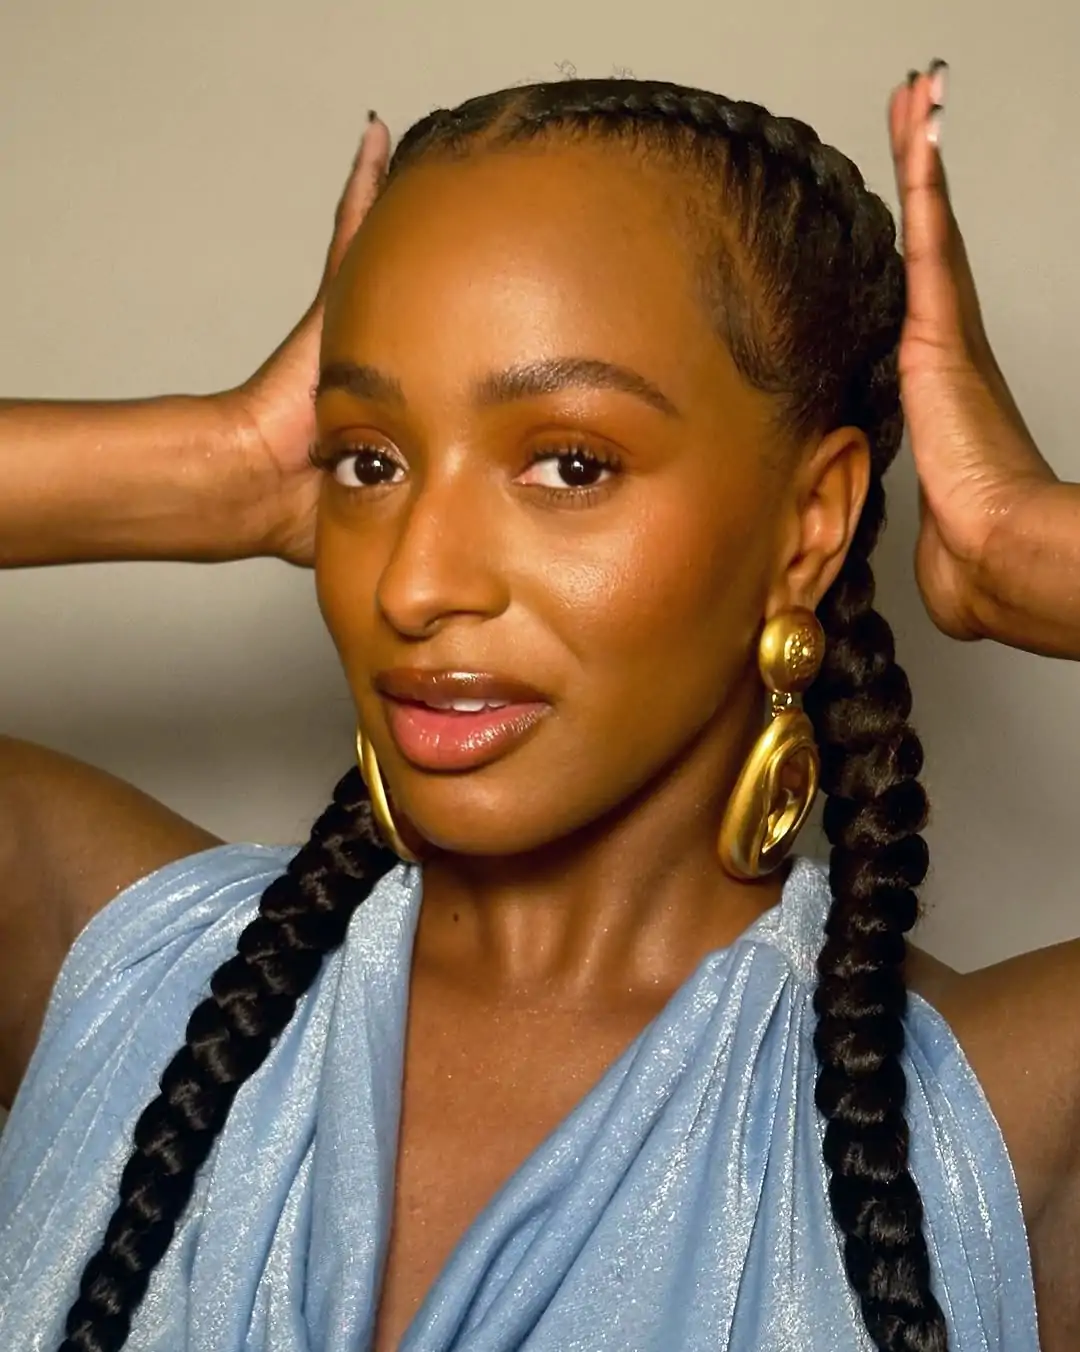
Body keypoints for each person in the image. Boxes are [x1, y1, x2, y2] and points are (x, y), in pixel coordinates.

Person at [0, 63, 1077, 1352]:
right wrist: (212, 464)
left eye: (569, 464)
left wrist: (1017, 551)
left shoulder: (999, 1117)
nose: (414, 582)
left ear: (811, 524)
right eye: (369, 462)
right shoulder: (119, 967)